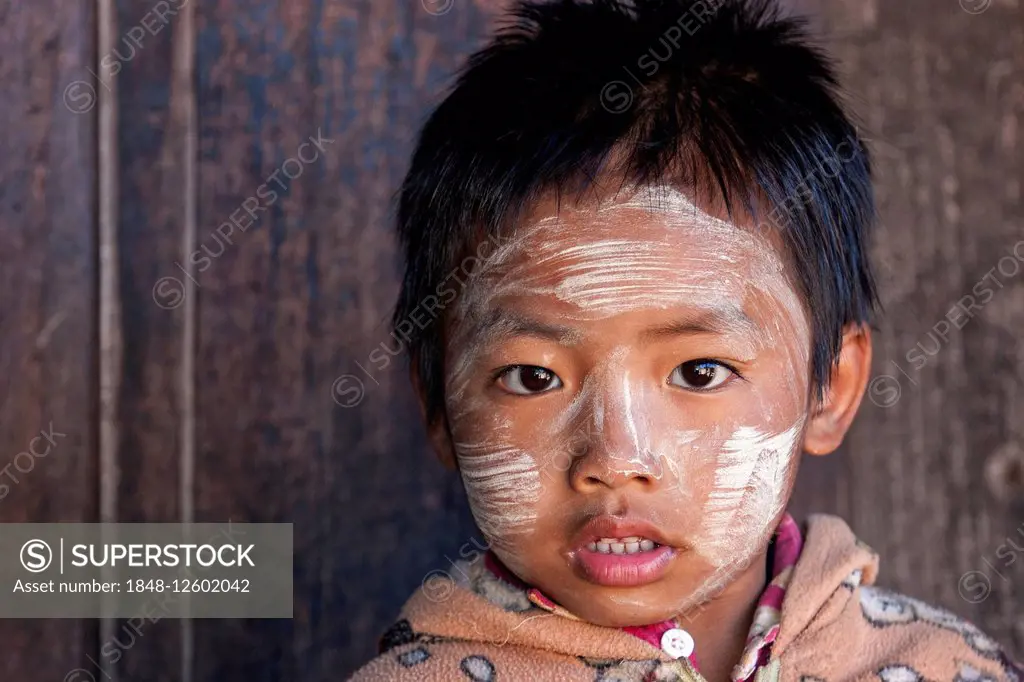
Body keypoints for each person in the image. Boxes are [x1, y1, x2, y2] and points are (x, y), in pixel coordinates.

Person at [348, 0, 1023, 680]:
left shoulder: (948, 667)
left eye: (700, 371)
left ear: (831, 388)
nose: (616, 455)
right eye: (533, 376)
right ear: (438, 404)